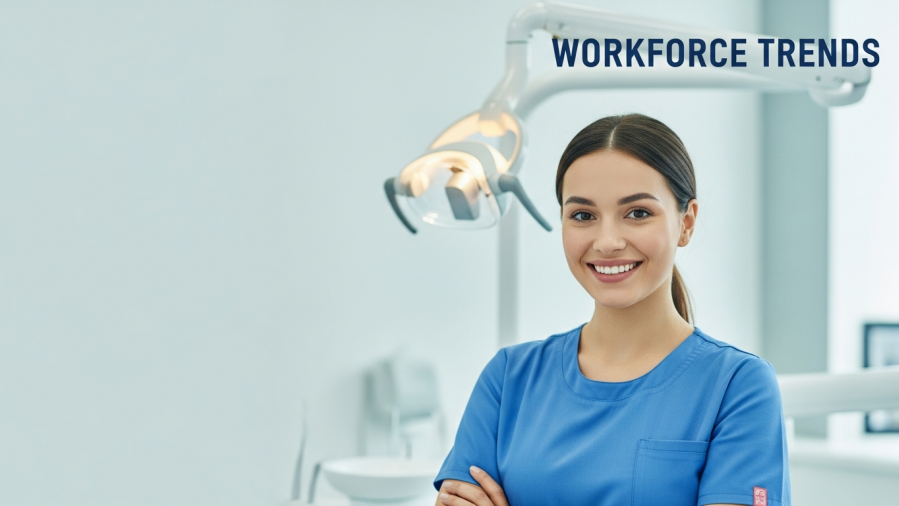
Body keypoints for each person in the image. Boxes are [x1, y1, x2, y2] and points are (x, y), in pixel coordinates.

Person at [431, 114, 790, 506]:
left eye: (637, 213)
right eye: (583, 216)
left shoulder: (738, 386)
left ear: (686, 223)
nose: (607, 242)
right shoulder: (508, 378)